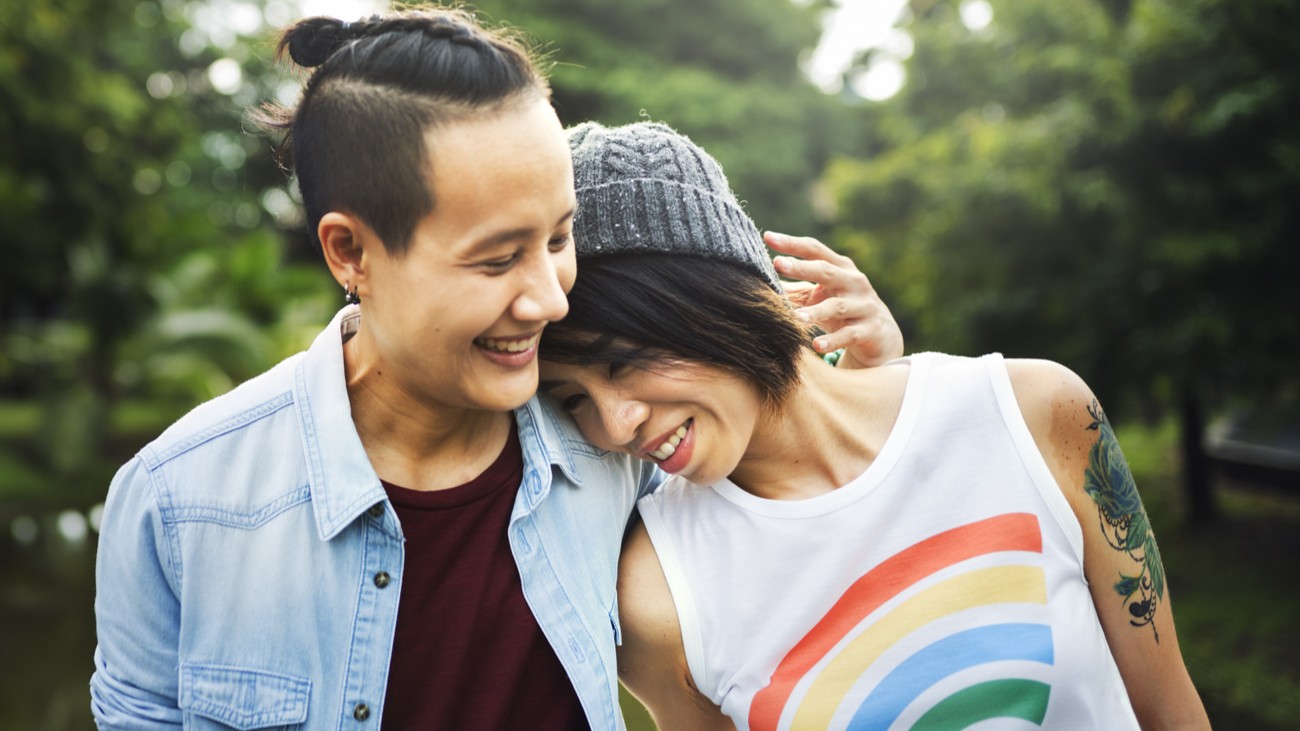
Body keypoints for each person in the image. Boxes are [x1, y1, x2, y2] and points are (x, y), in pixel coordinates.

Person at [89, 7, 902, 730]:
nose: (550, 299)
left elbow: (819, 549)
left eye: (558, 238)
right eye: (497, 260)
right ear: (351, 251)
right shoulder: (176, 504)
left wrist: (869, 389)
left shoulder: (619, 448)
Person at [538, 121, 1212, 730]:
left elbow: (1169, 709)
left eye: (627, 361)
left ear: (719, 295)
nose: (615, 423)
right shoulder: (660, 597)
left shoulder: (1033, 411)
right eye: (572, 399)